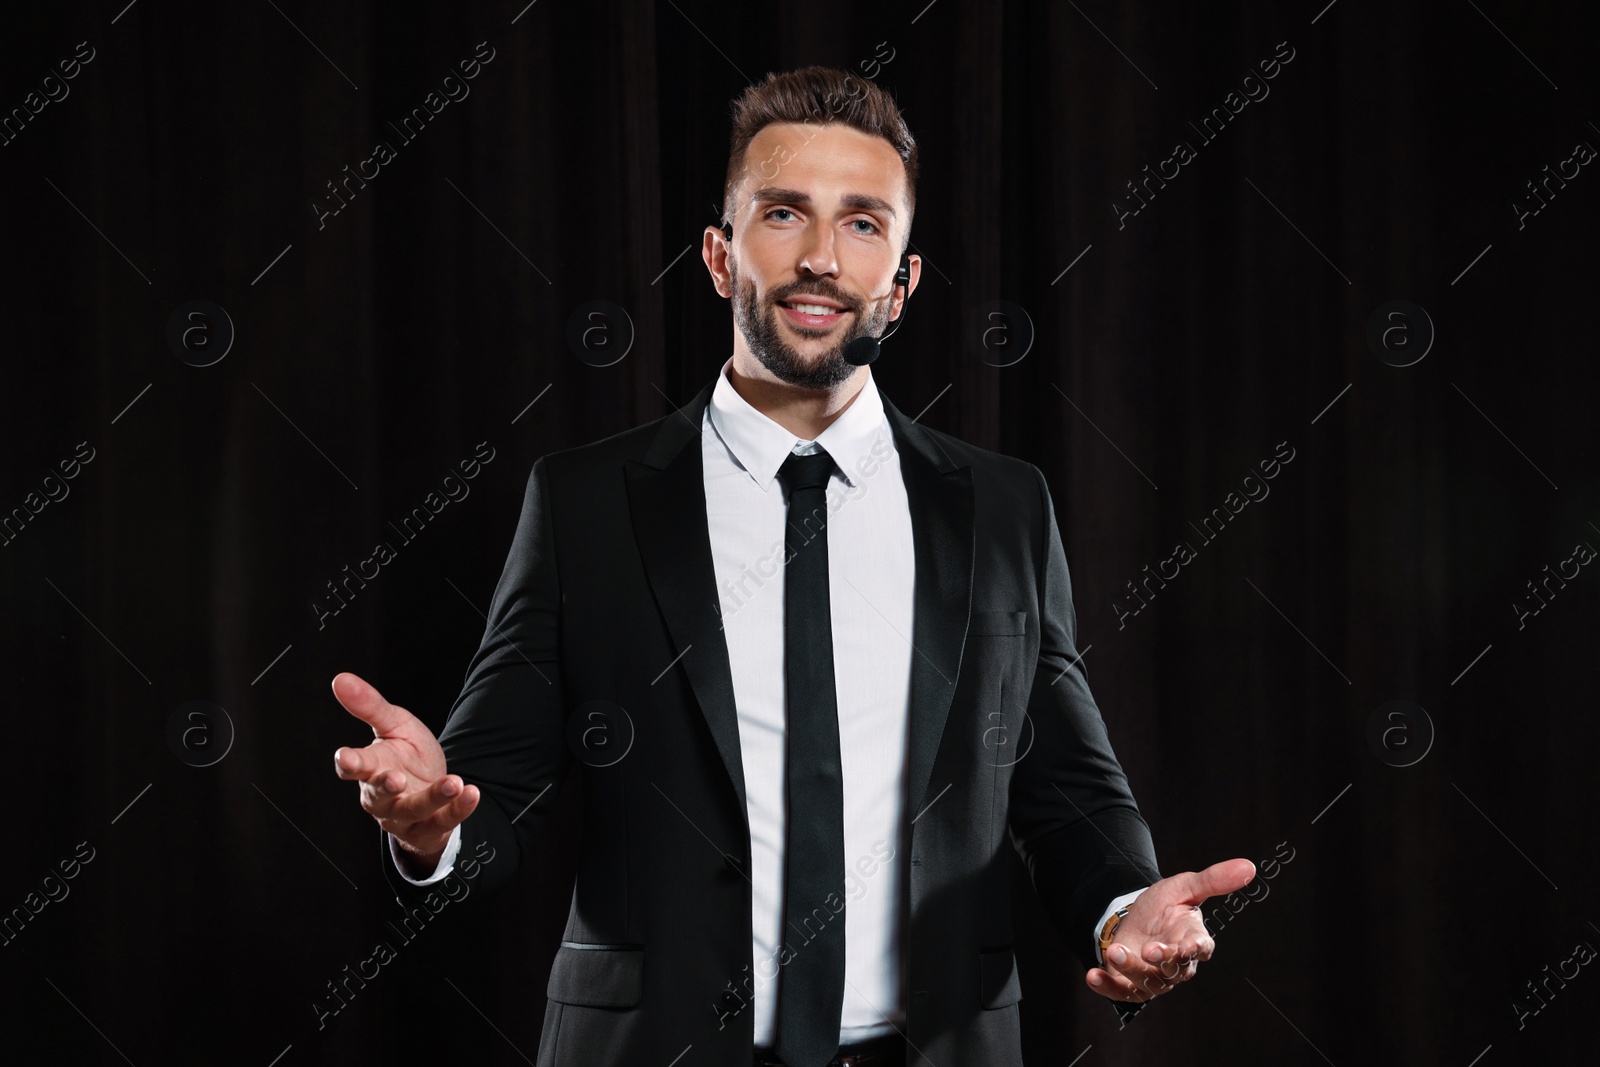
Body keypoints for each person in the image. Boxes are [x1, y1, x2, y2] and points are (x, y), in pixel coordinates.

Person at [332, 65, 1254, 1067]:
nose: (821, 256)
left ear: (900, 281)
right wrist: (430, 828)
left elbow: (1064, 783)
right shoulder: (588, 502)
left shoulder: (1002, 507)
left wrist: (1127, 906)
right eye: (784, 214)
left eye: (862, 223)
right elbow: (490, 797)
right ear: (721, 257)